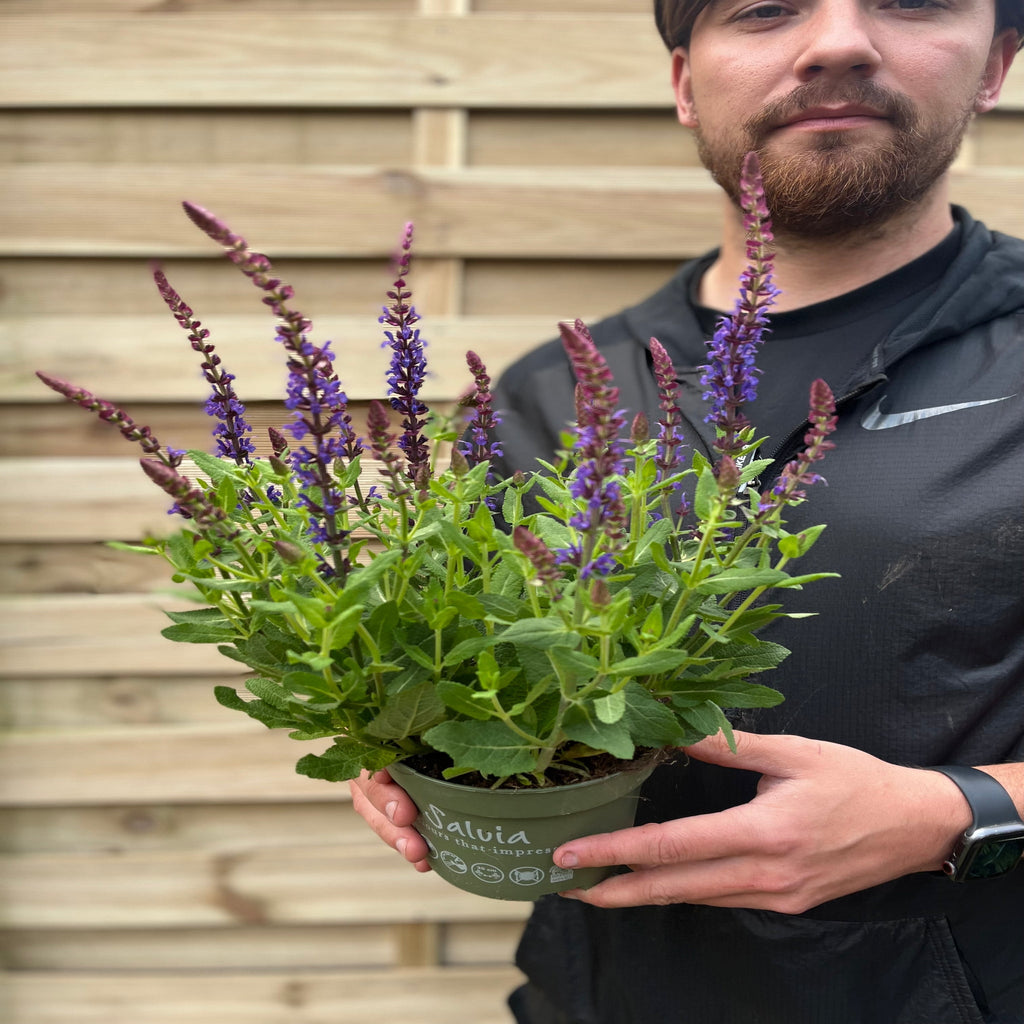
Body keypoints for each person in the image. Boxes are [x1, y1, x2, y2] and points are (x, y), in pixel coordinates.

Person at [352, 0, 1024, 1020]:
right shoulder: (547, 395)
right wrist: (405, 745)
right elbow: (481, 682)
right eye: (764, 8)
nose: (836, 40)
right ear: (681, 82)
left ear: (996, 63)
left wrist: (961, 809)